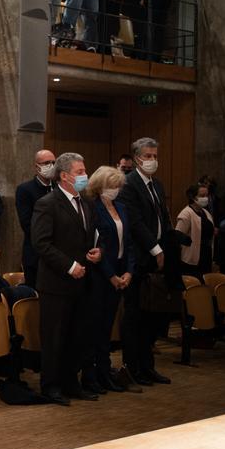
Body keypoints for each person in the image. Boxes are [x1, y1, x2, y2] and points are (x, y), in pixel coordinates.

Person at [31, 152, 102, 406]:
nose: (85, 176)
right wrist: (69, 265)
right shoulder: (47, 203)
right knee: (54, 337)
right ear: (64, 176)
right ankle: (51, 386)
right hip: (56, 283)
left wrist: (97, 250)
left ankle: (72, 382)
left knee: (77, 336)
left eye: (85, 171)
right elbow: (41, 243)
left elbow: (94, 234)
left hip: (82, 281)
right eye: (80, 172)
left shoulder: (86, 202)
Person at [116, 137, 173, 387]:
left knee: (152, 317)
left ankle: (148, 366)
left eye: (155, 155)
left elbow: (162, 217)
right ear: (137, 158)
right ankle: (133, 367)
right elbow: (136, 223)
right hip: (139, 258)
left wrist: (168, 245)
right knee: (135, 316)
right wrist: (155, 248)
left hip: (157, 257)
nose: (153, 160)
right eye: (148, 156)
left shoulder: (156, 185)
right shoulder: (129, 184)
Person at [85, 166, 134, 395]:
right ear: (100, 185)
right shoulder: (92, 208)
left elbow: (129, 243)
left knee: (107, 329)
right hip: (101, 275)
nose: (116, 190)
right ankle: (92, 375)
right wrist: (111, 275)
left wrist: (129, 273)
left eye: (118, 186)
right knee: (94, 328)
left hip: (121, 272)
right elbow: (97, 247)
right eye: (112, 185)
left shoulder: (121, 207)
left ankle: (106, 374)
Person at [15, 149, 56, 289]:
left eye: (53, 162)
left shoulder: (59, 188)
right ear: (36, 166)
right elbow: (27, 224)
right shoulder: (25, 189)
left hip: (57, 256)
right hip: (35, 255)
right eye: (46, 163)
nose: (51, 166)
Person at [176, 183, 215, 280]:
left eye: (207, 195)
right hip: (191, 258)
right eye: (202, 196)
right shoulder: (186, 213)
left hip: (206, 255)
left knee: (205, 285)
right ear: (193, 197)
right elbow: (178, 237)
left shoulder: (205, 212)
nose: (205, 198)